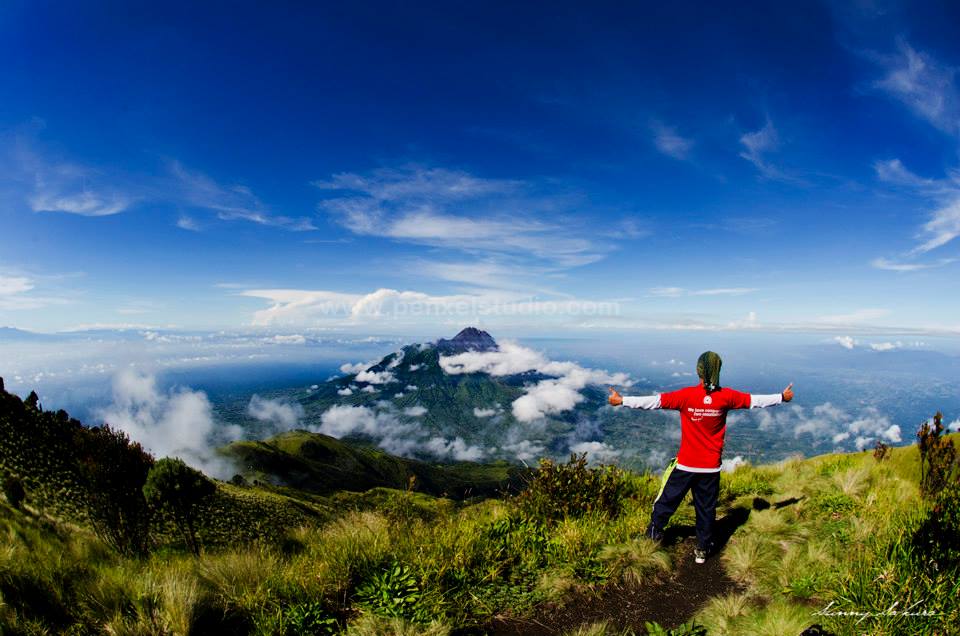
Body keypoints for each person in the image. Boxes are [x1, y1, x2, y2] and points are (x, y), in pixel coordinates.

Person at [608, 351, 793, 564]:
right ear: (718, 370)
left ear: (699, 371)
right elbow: (755, 401)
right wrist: (781, 397)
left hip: (686, 464)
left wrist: (621, 400)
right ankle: (702, 549)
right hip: (710, 468)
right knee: (706, 510)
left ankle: (653, 537)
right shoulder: (727, 396)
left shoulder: (686, 396)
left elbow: (654, 402)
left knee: (666, 501)